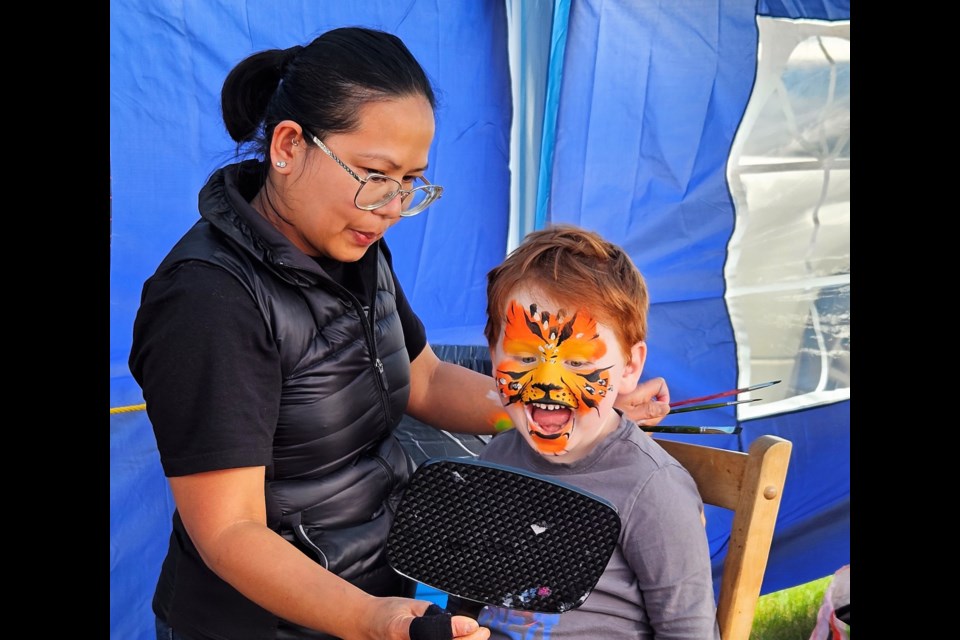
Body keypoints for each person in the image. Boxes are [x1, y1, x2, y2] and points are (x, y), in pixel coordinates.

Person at [128, 26, 672, 640]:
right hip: (270, 623)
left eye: (411, 180)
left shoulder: (353, 245)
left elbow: (425, 378)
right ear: (287, 146)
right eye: (376, 174)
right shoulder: (209, 300)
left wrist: (554, 402)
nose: (392, 206)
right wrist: (368, 617)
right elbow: (230, 533)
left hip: (384, 588)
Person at [471, 224, 720, 639]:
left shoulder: (653, 489)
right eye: (524, 356)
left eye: (578, 363)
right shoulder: (496, 458)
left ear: (629, 367)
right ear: (492, 355)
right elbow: (468, 593)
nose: (547, 382)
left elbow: (687, 631)